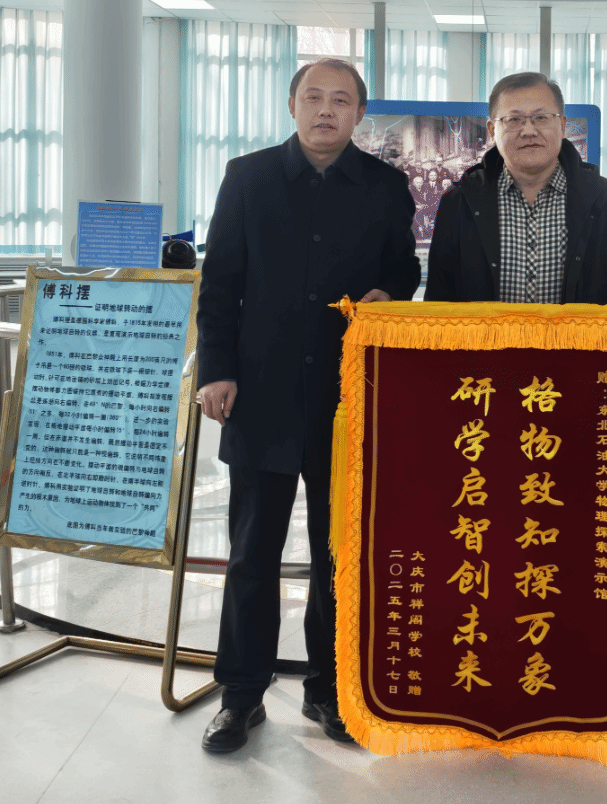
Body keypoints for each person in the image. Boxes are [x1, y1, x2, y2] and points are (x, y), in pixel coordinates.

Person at [195, 58, 421, 753]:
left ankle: (329, 691)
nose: (327, 110)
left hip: (346, 400)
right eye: (314, 97)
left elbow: (404, 266)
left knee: (338, 556)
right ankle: (240, 695)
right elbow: (220, 281)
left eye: (341, 100)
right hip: (258, 394)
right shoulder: (248, 177)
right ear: (291, 104)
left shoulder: (385, 185)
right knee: (251, 553)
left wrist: (391, 293)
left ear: (360, 114)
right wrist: (216, 370)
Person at [424, 72, 607, 305]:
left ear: (562, 125)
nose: (528, 131)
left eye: (541, 117)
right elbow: (438, 306)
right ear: (492, 130)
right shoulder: (459, 201)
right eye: (514, 119)